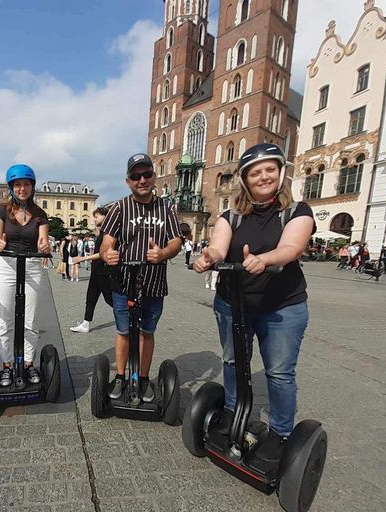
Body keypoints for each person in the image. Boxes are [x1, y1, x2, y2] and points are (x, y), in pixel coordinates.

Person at [192, 143, 315, 464]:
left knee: (278, 373)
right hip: (233, 303)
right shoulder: (230, 216)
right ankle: (233, 412)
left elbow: (292, 246)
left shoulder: (297, 211)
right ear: (245, 179)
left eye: (270, 170)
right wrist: (210, 257)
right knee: (233, 362)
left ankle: (281, 432)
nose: (263, 177)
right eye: (255, 172)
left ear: (281, 173)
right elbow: (219, 246)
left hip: (282, 306)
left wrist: (265, 259)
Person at [101, 153, 183, 402]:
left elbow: (176, 241)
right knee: (124, 332)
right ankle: (120, 376)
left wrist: (165, 253)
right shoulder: (119, 208)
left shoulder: (166, 207)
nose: (142, 180)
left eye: (147, 174)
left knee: (147, 331)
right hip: (124, 282)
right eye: (136, 176)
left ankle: (144, 378)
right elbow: (107, 244)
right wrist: (108, 255)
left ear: (154, 177)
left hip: (154, 283)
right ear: (128, 181)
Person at [0, 164, 50, 387]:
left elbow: (43, 241)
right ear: (11, 187)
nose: (22, 188)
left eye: (26, 184)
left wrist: (44, 247)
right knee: (5, 320)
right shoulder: (1, 210)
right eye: (17, 185)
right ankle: (7, 366)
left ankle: (27, 363)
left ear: (32, 186)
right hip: (7, 265)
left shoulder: (39, 213)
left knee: (30, 320)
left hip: (32, 266)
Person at [70, 207, 114, 333]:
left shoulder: (108, 233)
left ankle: (129, 316)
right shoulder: (101, 232)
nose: (94, 219)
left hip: (104, 271)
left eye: (97, 216)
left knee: (110, 298)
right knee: (91, 297)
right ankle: (85, 323)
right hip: (96, 270)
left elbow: (102, 253)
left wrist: (83, 258)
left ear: (105, 216)